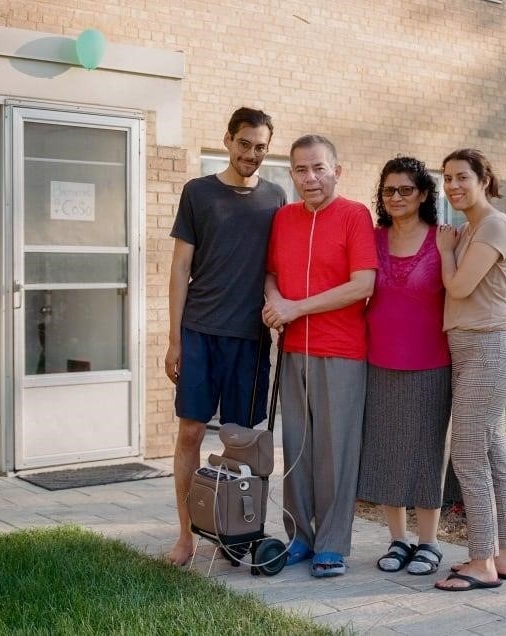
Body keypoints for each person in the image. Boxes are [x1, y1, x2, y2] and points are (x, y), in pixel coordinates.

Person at [164, 107, 287, 566]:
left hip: (249, 339)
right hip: (198, 332)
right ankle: (186, 535)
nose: (251, 154)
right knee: (191, 433)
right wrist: (174, 339)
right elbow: (180, 269)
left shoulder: (276, 198)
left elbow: (281, 267)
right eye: (244, 144)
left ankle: (235, 530)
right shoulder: (199, 192)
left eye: (260, 147)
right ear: (228, 140)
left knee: (240, 440)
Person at [262, 134, 377, 577]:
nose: (310, 178)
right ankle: (300, 538)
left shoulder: (354, 216)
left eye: (318, 168)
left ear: (336, 171)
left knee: (336, 452)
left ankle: (332, 544)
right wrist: (274, 301)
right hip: (293, 351)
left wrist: (295, 307)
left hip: (342, 352)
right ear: (291, 173)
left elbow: (362, 284)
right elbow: (271, 273)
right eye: (300, 170)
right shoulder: (284, 218)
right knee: (297, 449)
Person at [433, 148, 506, 591]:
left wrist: (445, 251)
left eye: (461, 177)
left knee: (468, 454)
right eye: (447, 178)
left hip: (489, 351)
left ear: (484, 178)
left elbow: (461, 286)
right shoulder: (475, 227)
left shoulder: (491, 224)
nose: (452, 185)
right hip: (476, 348)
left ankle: (481, 562)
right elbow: (496, 286)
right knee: (492, 452)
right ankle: (502, 556)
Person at [357, 156, 452, 576]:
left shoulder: (444, 240)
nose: (396, 197)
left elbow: (474, 284)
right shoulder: (372, 239)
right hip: (377, 361)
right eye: (389, 190)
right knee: (386, 452)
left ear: (424, 194)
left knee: (428, 453)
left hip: (432, 362)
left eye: (405, 190)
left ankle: (429, 542)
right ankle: (397, 540)